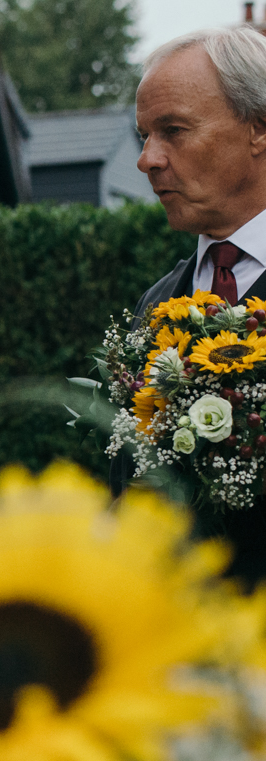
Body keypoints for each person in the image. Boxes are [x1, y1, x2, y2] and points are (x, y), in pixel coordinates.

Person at [131, 25, 266, 583]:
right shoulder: (156, 305)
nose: (146, 161)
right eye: (143, 135)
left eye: (173, 130)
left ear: (258, 128)